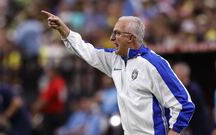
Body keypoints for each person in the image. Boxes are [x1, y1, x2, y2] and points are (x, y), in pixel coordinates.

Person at [41, 10, 195, 135]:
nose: (111, 38)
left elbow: (184, 104)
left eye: (116, 33)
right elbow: (87, 52)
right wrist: (64, 30)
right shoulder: (115, 58)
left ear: (130, 38)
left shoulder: (155, 64)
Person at [173, 62, 216, 135]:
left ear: (182, 74)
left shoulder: (193, 90)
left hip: (198, 129)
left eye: (175, 73)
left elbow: (191, 112)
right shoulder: (183, 88)